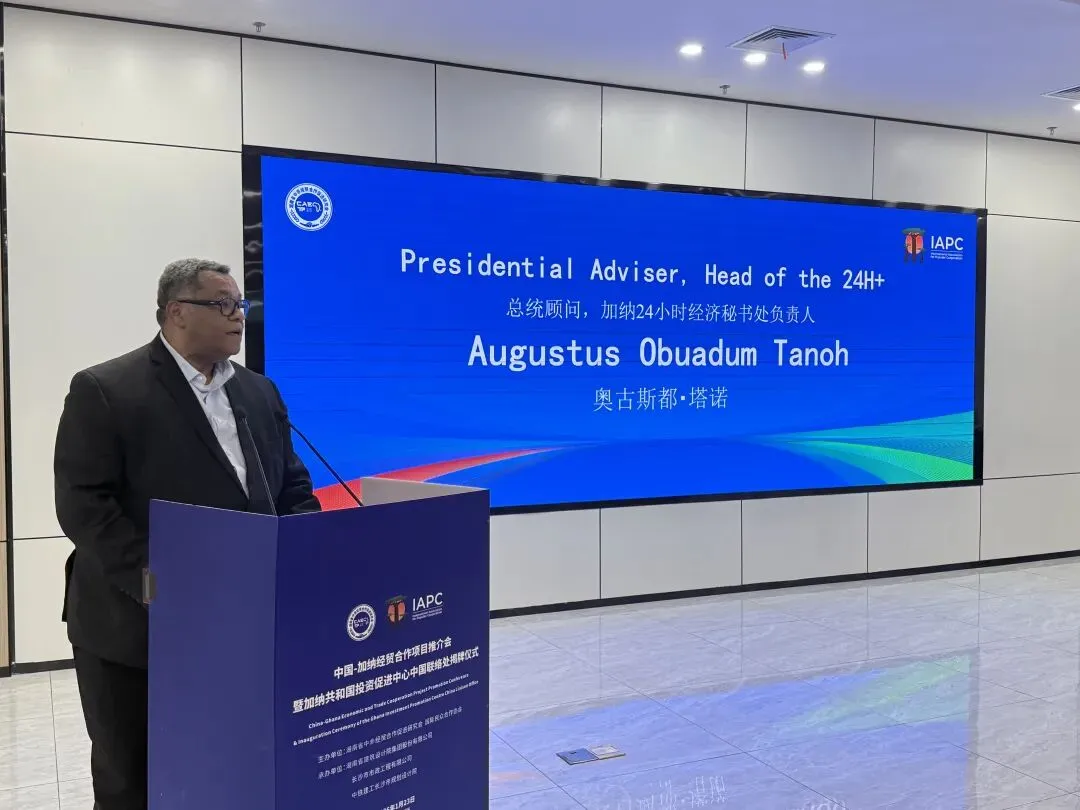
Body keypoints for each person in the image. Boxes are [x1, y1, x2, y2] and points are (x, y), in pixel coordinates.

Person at [53, 258, 321, 810]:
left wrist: (304, 549)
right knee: (132, 779)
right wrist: (161, 585)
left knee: (222, 770)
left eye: (241, 304)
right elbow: (85, 506)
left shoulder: (259, 391)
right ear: (176, 312)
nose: (239, 315)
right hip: (135, 626)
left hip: (238, 624)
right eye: (223, 304)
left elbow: (291, 483)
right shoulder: (106, 389)